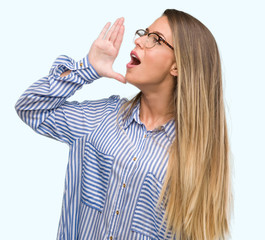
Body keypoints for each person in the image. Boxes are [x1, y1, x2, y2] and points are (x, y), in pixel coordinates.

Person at [15, 9, 233, 240]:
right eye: (144, 33)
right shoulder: (101, 117)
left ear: (177, 67)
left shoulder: (194, 153)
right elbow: (31, 108)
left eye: (155, 39)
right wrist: (88, 68)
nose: (138, 39)